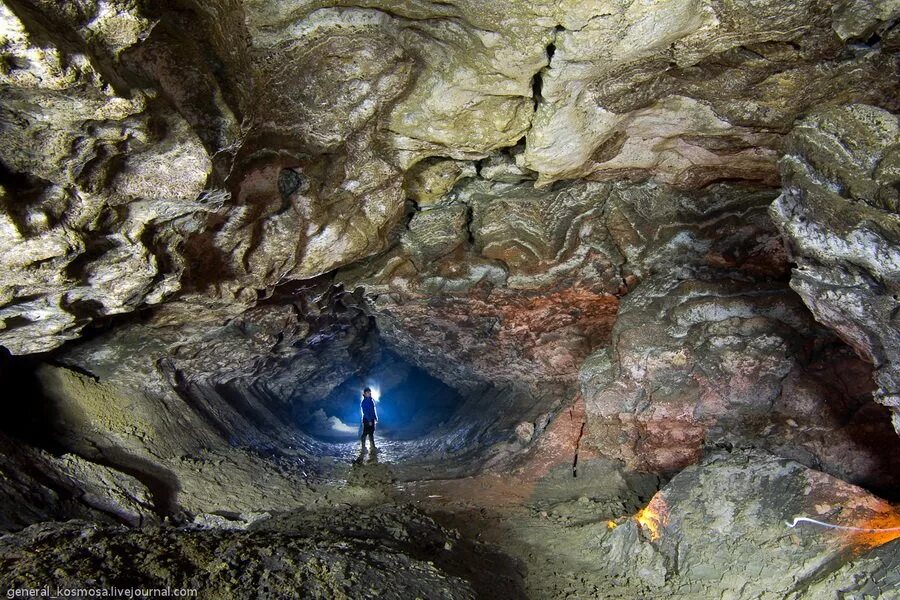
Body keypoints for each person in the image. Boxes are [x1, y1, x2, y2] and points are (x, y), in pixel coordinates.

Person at [360, 387, 378, 453]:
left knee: (371, 433)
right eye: (367, 392)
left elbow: (373, 410)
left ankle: (372, 446)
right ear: (364, 394)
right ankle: (363, 446)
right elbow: (365, 412)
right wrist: (369, 420)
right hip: (367, 419)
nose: (369, 393)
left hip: (372, 419)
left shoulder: (371, 400)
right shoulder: (364, 402)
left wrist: (375, 417)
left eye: (369, 392)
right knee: (365, 433)